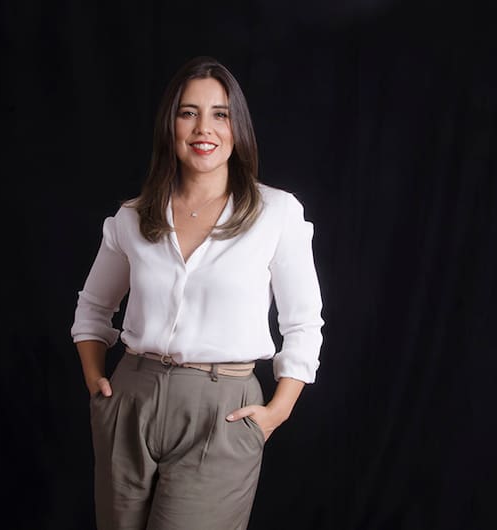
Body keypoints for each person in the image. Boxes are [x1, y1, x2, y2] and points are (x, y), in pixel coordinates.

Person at [71, 56, 324, 530]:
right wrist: (95, 382)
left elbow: (303, 324)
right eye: (188, 113)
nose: (203, 128)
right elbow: (93, 309)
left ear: (237, 127)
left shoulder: (277, 213)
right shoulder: (133, 217)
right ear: (170, 125)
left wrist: (277, 412)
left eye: (219, 114)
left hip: (222, 408)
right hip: (131, 396)